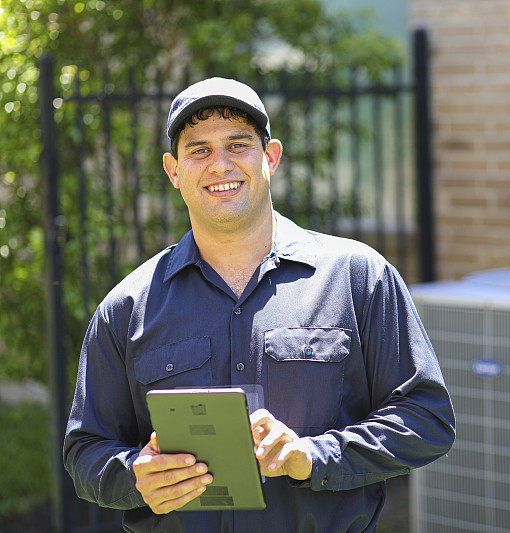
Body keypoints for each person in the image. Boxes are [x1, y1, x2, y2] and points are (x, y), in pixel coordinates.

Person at [63, 77, 456, 532]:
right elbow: (85, 450)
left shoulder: (357, 277)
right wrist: (135, 476)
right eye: (199, 150)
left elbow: (426, 420)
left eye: (238, 144)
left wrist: (313, 456)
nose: (220, 165)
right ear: (174, 171)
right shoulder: (126, 307)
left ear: (270, 157)